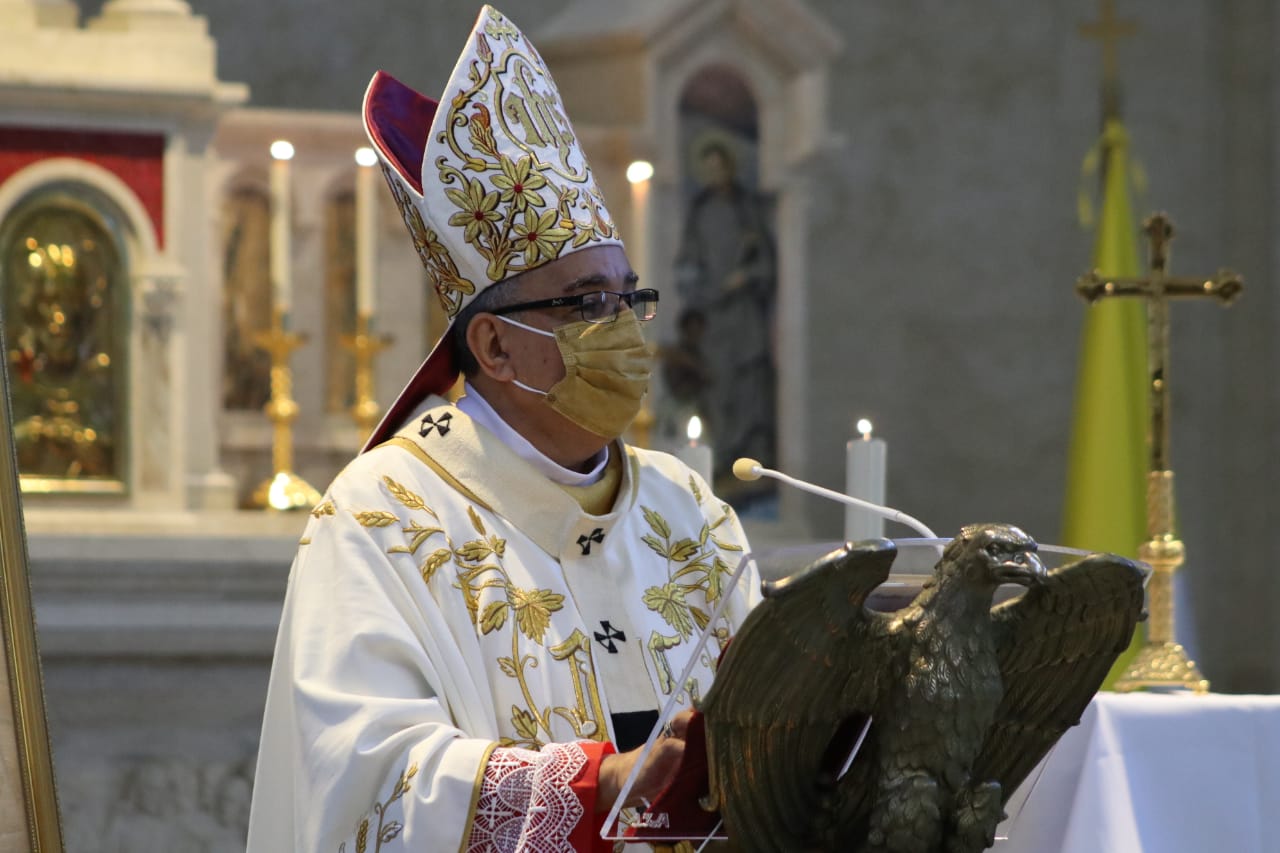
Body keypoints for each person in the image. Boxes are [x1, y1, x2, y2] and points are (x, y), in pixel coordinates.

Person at [245, 7, 759, 852]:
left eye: (629, 297)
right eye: (589, 304)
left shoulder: (692, 516)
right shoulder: (383, 521)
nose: (626, 328)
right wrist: (590, 789)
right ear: (492, 343)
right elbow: (365, 778)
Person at [674, 139, 777, 504]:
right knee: (717, 389)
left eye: (720, 166)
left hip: (744, 316)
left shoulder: (746, 209)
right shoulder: (700, 212)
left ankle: (747, 465)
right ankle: (720, 464)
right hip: (713, 318)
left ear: (730, 167)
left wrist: (745, 278)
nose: (714, 174)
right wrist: (700, 291)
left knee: (748, 388)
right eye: (708, 168)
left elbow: (765, 263)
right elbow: (686, 264)